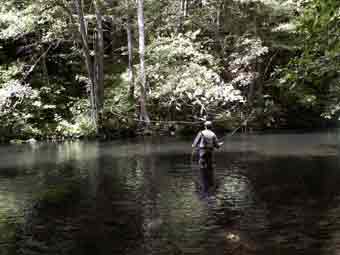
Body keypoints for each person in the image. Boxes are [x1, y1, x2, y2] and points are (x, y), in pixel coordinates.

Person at [192, 121, 223, 192]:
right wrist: (220, 144)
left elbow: (194, 144)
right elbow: (217, 146)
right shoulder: (213, 134)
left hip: (202, 151)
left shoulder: (201, 133)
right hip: (210, 151)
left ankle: (204, 181)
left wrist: (194, 146)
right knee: (210, 166)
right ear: (211, 127)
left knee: (202, 165)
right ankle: (210, 182)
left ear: (205, 126)